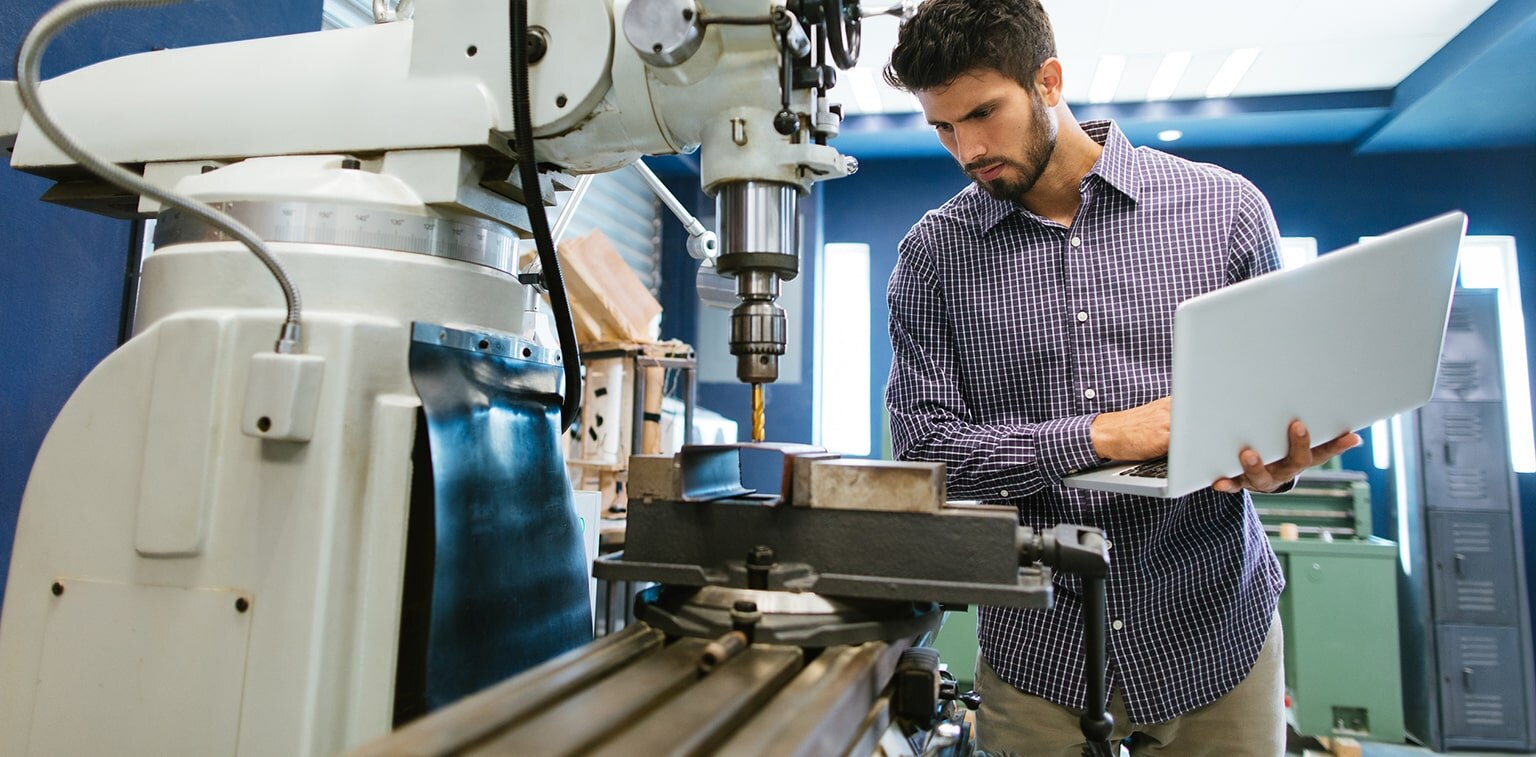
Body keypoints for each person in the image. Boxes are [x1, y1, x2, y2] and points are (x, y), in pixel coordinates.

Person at [881, 2, 1360, 754]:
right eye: (943, 126)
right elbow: (927, 451)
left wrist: (1277, 466)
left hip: (1215, 636)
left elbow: (1277, 406)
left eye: (982, 112)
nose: (967, 148)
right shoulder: (933, 259)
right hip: (1040, 655)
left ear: (1048, 81)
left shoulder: (1225, 212)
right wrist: (1101, 436)